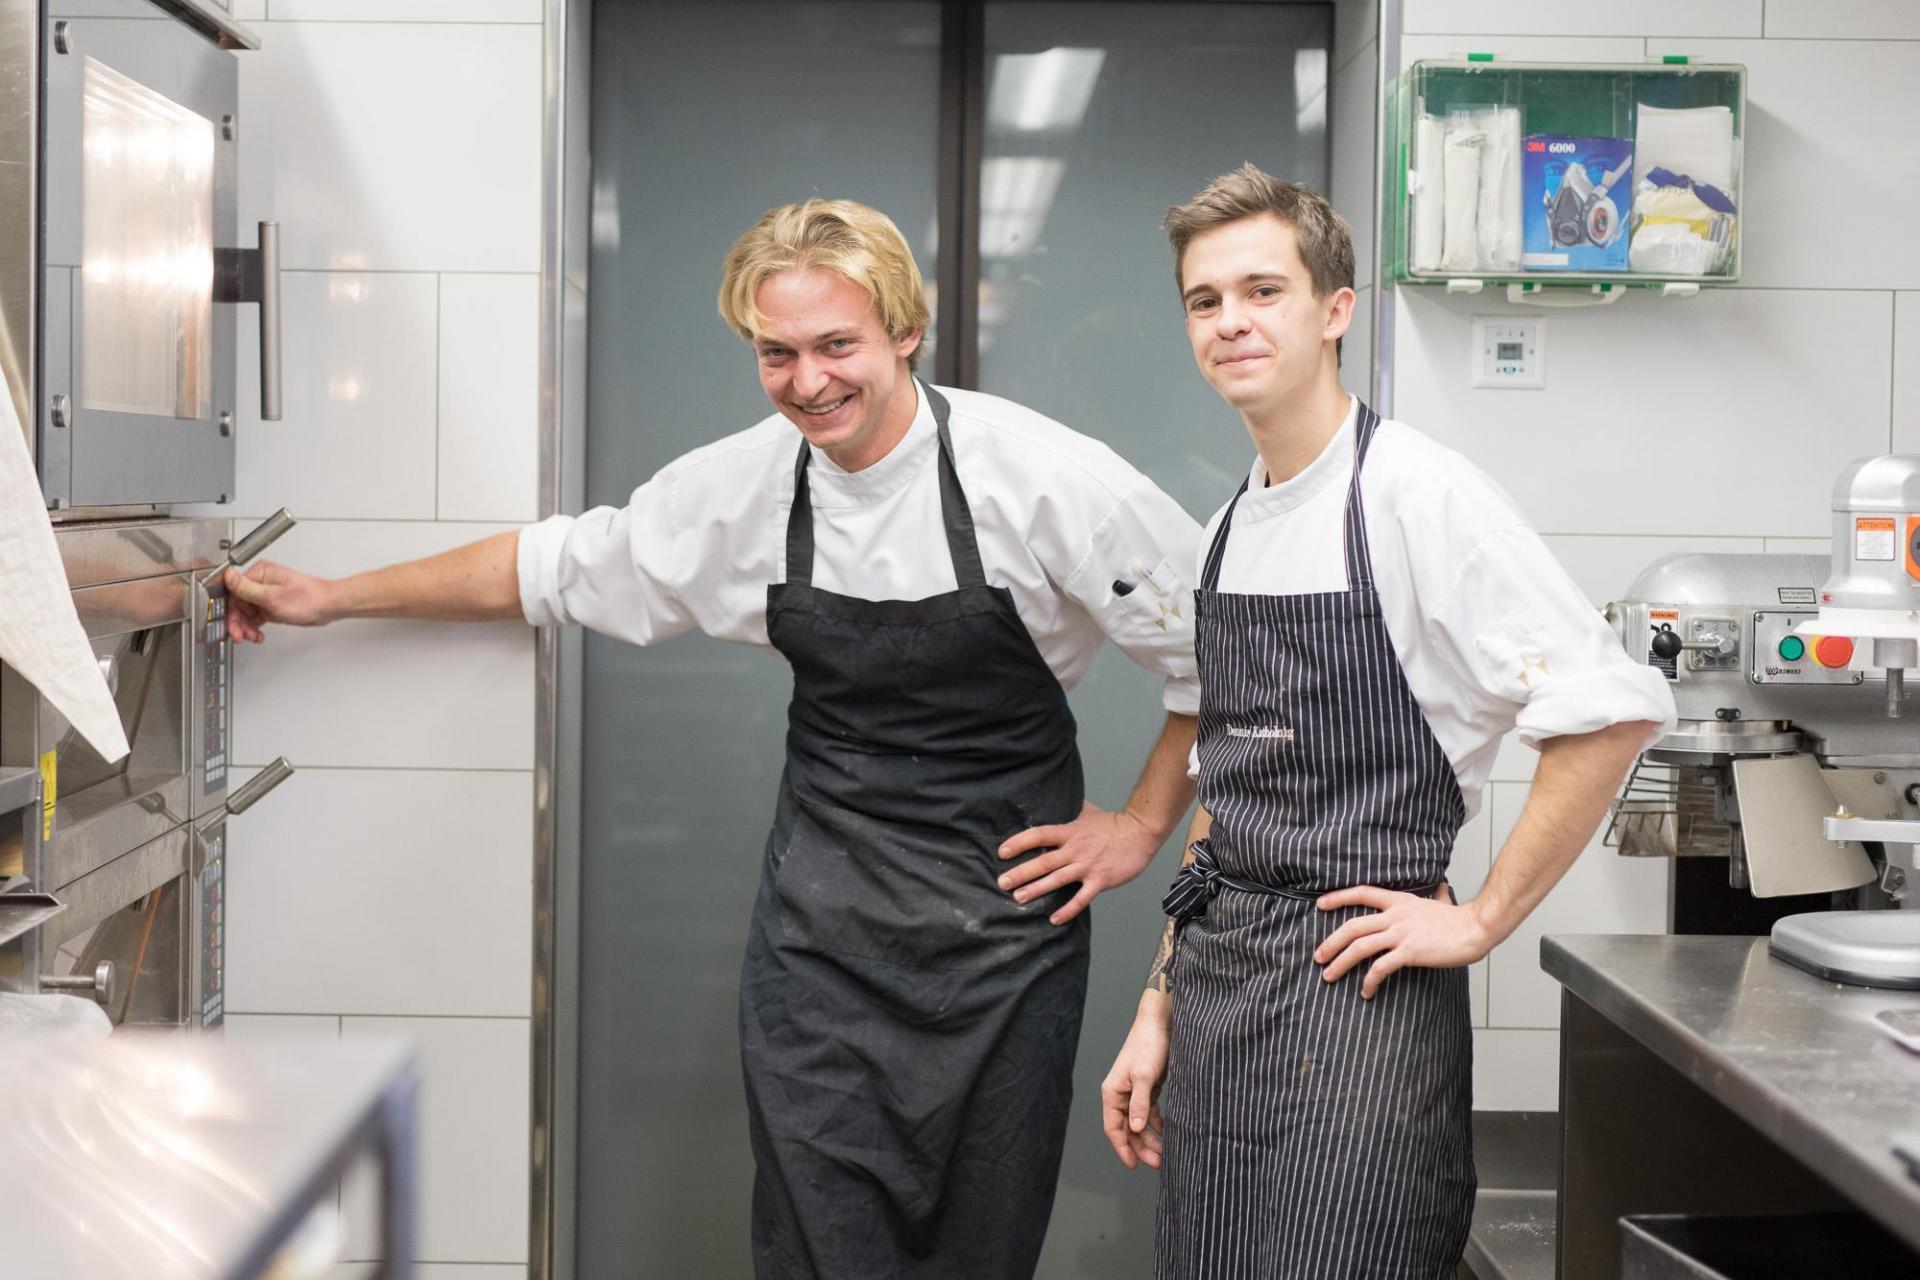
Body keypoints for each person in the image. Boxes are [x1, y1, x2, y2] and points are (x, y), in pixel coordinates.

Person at [225, 198, 1203, 1279]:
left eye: (837, 345)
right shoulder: (745, 485)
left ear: (905, 333)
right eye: (776, 353)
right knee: (814, 1238)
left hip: (1005, 944)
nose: (808, 381)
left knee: (983, 1240)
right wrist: (334, 597)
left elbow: (1221, 657)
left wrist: (1139, 825)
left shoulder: (1046, 478)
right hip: (822, 941)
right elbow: (553, 567)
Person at [1099, 165, 1676, 1278]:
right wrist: (1157, 1003)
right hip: (1222, 998)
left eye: (1263, 290)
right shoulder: (1227, 530)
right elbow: (1227, 795)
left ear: (1335, 309)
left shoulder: (1416, 494)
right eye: (1205, 300)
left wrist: (1481, 919)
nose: (1230, 321)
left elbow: (1608, 708)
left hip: (1359, 1002)